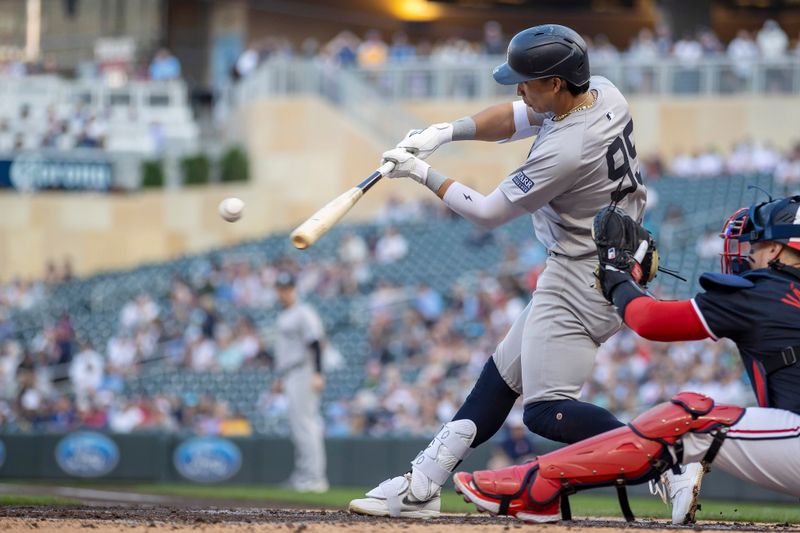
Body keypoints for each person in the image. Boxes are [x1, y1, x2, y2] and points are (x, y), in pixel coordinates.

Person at [349, 24, 698, 520]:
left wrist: (422, 173)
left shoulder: (568, 147)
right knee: (497, 380)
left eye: (528, 80)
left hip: (584, 273)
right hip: (602, 260)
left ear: (556, 82)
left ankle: (667, 461)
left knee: (545, 410)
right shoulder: (602, 93)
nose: (519, 88)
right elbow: (516, 117)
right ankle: (422, 485)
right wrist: (445, 132)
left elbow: (489, 212)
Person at [454, 196, 800, 523]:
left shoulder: (768, 293)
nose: (748, 254)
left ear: (778, 248)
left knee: (689, 418)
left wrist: (618, 277)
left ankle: (535, 484)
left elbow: (650, 321)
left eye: (755, 246)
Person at [272, 272, 328, 492]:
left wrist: (318, 373)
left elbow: (315, 342)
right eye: (280, 289)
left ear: (294, 289)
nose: (283, 292)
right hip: (290, 373)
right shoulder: (284, 315)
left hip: (304, 370)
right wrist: (279, 377)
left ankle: (315, 478)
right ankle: (303, 475)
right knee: (298, 426)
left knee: (306, 424)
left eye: (287, 288)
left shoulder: (304, 312)